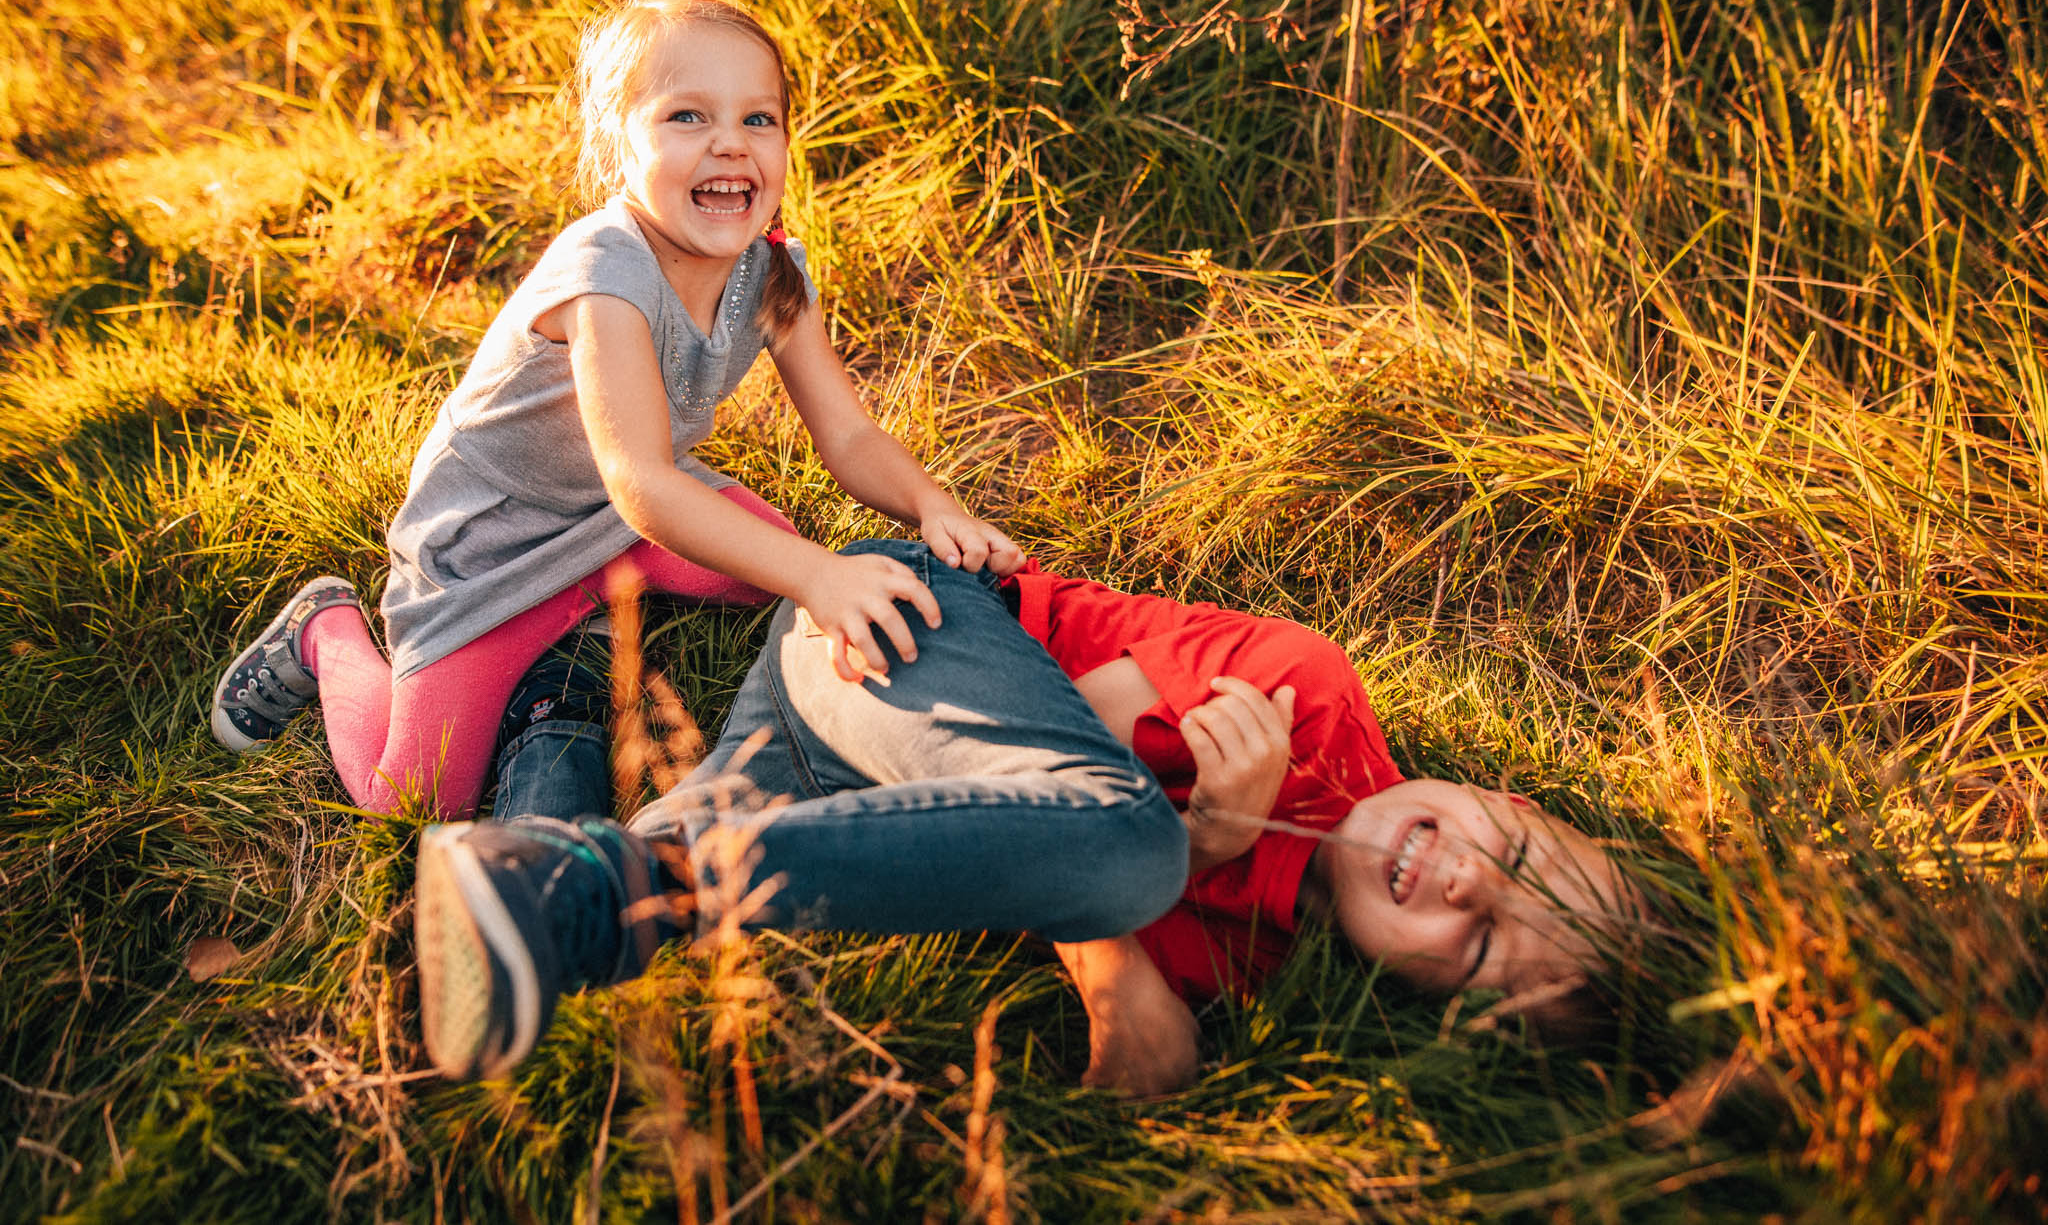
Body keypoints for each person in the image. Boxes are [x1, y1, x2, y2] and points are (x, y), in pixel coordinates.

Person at [205, 0, 1019, 819]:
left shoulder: (771, 269)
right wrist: (819, 574)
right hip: (497, 544)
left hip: (622, 519)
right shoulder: (606, 269)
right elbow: (644, 484)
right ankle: (325, 626)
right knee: (413, 793)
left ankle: (594, 607)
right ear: (615, 139)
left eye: (758, 120)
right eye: (688, 118)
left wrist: (929, 502)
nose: (730, 147)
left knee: (772, 573)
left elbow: (846, 431)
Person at [412, 539, 1638, 1089]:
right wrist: (1153, 924)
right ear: (1504, 797)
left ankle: (555, 740)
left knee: (575, 873)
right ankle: (619, 903)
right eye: (1517, 853)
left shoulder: (1262, 971)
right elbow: (1073, 735)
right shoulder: (1303, 703)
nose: (1473, 882)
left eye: (1479, 949)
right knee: (1131, 843)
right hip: (908, 625)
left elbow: (1000, 864)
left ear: (1435, 1010)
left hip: (841, 772)